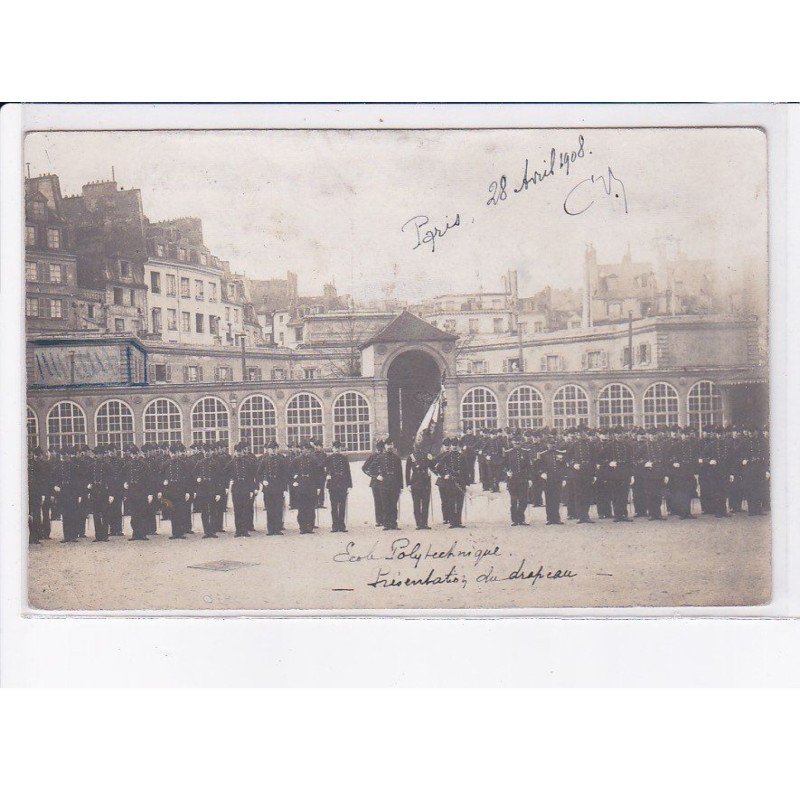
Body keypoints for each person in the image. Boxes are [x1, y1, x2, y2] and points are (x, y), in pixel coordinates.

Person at [123, 444, 155, 540]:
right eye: (132, 454)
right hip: (132, 492)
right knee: (134, 515)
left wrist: (149, 493)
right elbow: (122, 476)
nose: (134, 456)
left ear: (138, 454)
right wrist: (124, 483)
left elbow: (149, 480)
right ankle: (135, 533)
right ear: (130, 455)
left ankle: (143, 534)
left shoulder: (144, 465)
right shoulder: (127, 465)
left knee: (142, 514)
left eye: (135, 454)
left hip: (142, 492)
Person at [227, 441, 258, 537]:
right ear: (235, 452)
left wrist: (252, 489)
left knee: (245, 510)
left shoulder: (248, 463)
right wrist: (230, 479)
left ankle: (244, 530)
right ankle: (238, 530)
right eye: (237, 451)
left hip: (245, 488)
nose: (239, 453)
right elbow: (224, 473)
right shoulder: (231, 463)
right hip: (236, 488)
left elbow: (251, 476)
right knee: (237, 510)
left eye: (240, 451)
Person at [290, 441, 322, 534]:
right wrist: (295, 479)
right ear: (301, 450)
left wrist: (319, 487)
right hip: (301, 485)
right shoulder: (296, 460)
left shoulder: (314, 460)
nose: (307, 451)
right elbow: (290, 471)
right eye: (305, 449)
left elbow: (319, 473)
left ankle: (310, 527)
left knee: (311, 507)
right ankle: (302, 527)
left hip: (311, 484)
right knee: (301, 507)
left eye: (308, 449)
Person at [259, 440, 289, 535]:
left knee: (278, 509)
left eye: (274, 449)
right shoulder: (264, 460)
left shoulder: (281, 460)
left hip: (278, 487)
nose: (272, 451)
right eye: (271, 449)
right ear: (268, 450)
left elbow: (285, 475)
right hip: (268, 487)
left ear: (277, 449)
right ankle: (270, 529)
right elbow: (258, 473)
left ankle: (277, 529)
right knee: (270, 509)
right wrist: (263, 481)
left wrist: (285, 489)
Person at [405, 438, 435, 530]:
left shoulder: (427, 455)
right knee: (417, 504)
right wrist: (408, 484)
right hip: (415, 482)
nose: (419, 445)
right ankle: (418, 523)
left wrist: (431, 460)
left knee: (425, 503)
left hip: (426, 482)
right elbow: (407, 471)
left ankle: (424, 523)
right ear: (414, 445)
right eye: (417, 443)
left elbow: (433, 467)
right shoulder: (411, 457)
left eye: (420, 443)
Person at [325, 440, 352, 532]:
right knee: (334, 506)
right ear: (332, 448)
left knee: (342, 505)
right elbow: (321, 467)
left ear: (340, 448)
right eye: (335, 448)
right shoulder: (329, 458)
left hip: (342, 484)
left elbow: (348, 472)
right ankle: (335, 525)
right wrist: (326, 474)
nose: (337, 450)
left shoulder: (344, 458)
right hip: (332, 484)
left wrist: (349, 485)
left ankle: (342, 525)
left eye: (338, 448)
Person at [504, 435, 531, 526]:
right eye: (515, 443)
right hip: (513, 480)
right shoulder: (508, 453)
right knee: (514, 501)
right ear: (512, 443)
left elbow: (529, 467)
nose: (517, 444)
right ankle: (514, 520)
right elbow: (504, 466)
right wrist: (507, 472)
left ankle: (521, 518)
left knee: (523, 501)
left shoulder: (525, 453)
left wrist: (530, 479)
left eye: (518, 443)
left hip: (523, 480)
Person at [378, 437, 404, 531]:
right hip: (384, 484)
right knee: (385, 504)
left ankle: (393, 523)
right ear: (385, 446)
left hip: (394, 483)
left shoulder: (397, 458)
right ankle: (386, 524)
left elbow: (400, 473)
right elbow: (371, 468)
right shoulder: (380, 457)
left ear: (393, 446)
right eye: (387, 445)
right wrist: (377, 476)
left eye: (391, 445)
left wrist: (401, 486)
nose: (389, 447)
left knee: (393, 504)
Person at [362, 439, 386, 528]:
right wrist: (374, 475)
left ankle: (385, 519)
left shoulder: (386, 456)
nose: (381, 450)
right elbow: (364, 468)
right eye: (379, 448)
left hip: (385, 481)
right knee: (378, 501)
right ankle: (379, 520)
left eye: (382, 448)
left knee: (385, 501)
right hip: (375, 482)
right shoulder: (373, 456)